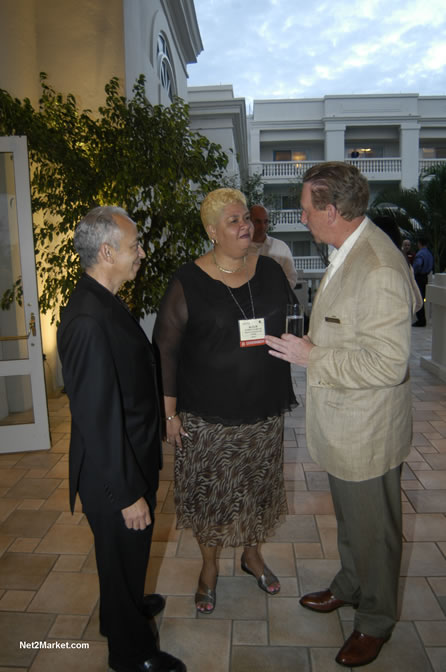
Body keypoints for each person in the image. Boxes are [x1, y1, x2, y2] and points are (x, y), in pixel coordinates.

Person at [265, 163, 418, 668]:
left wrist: (314, 357)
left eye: (308, 210)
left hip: (367, 430)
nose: (303, 218)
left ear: (332, 210)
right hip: (346, 424)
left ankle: (375, 620)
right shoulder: (348, 250)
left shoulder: (376, 266)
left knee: (374, 529)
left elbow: (389, 363)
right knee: (354, 522)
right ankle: (351, 584)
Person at [153, 188, 296, 615]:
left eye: (246, 219)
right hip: (207, 413)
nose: (245, 226)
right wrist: (170, 413)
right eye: (233, 220)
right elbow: (165, 350)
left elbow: (290, 320)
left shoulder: (270, 269)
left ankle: (252, 555)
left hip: (264, 407)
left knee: (258, 489)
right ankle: (209, 567)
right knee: (212, 495)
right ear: (212, 231)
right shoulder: (188, 280)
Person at [57, 206, 186, 672]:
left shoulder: (102, 299)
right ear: (107, 251)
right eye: (135, 247)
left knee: (123, 559)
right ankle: (131, 654)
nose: (142, 254)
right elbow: (96, 417)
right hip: (115, 474)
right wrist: (128, 494)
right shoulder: (89, 318)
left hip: (129, 455)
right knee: (122, 554)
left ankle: (122, 611)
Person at [249, 204, 298, 289]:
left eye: (266, 222)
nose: (262, 226)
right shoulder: (236, 249)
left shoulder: (281, 248)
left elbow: (291, 279)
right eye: (257, 221)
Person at [412, 235, 434, 327]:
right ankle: (423, 319)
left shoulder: (420, 254)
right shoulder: (429, 253)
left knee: (419, 298)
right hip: (426, 277)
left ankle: (421, 320)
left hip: (419, 277)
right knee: (424, 298)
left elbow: (418, 264)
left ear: (419, 243)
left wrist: (413, 271)